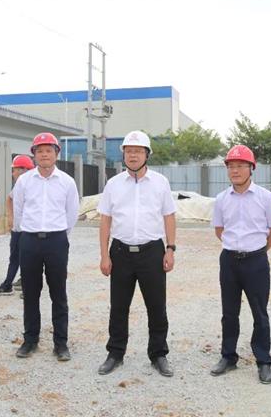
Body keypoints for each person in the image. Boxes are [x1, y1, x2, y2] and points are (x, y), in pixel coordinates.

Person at [96, 130, 177, 377]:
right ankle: (115, 353)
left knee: (156, 306)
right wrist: (104, 255)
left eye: (138, 151)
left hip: (152, 251)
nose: (133, 155)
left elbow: (169, 216)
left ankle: (158, 354)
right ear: (123, 155)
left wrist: (170, 248)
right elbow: (105, 221)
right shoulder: (113, 184)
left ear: (147, 154)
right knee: (119, 306)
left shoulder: (160, 183)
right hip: (120, 251)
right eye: (129, 151)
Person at [210, 145, 271, 384]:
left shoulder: (265, 198)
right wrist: (235, 247)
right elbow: (219, 230)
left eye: (241, 165)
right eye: (231, 166)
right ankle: (228, 356)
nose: (235, 170)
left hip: (256, 261)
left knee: (259, 312)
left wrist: (258, 250)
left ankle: (263, 360)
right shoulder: (221, 199)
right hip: (229, 261)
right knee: (229, 312)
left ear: (252, 168)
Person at [12, 132, 79, 361]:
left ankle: (61, 343)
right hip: (29, 240)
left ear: (56, 153)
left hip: (56, 241)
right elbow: (19, 210)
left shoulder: (67, 182)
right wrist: (24, 232)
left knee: (58, 293)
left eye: (48, 150)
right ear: (34, 155)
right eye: (39, 151)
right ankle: (30, 340)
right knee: (30, 293)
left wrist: (60, 235)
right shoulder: (24, 181)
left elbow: (72, 213)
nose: (44, 155)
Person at [0, 155, 35, 296]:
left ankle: (22, 285)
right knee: (16, 257)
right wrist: (11, 217)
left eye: (14, 170)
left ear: (24, 170)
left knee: (28, 258)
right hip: (18, 229)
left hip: (29, 229)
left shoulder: (34, 185)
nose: (13, 173)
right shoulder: (19, 185)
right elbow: (9, 199)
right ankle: (10, 284)